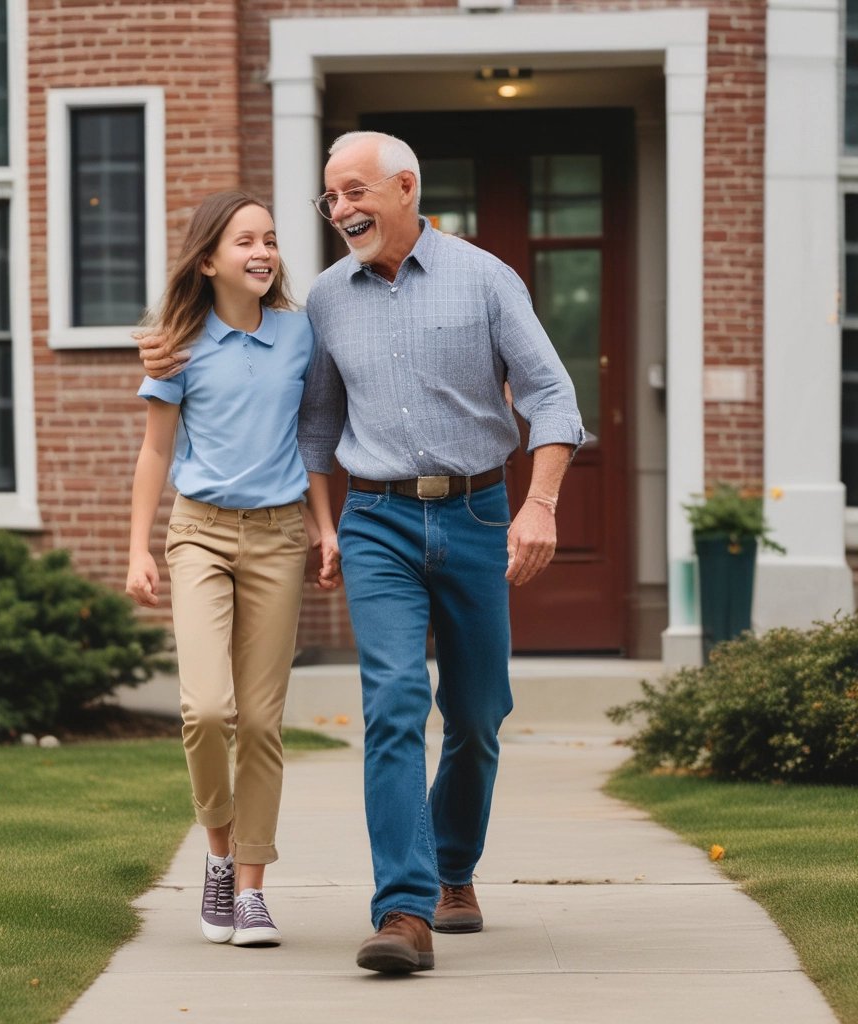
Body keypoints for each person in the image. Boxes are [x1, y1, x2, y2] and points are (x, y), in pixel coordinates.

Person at [297, 131, 585, 974]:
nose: (342, 210)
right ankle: (403, 910)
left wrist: (540, 505)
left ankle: (455, 868)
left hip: (478, 515)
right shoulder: (325, 298)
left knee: (477, 713)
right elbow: (318, 424)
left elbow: (553, 397)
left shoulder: (486, 278)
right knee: (391, 703)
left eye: (355, 192)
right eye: (331, 198)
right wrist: (325, 524)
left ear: (405, 187)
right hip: (377, 519)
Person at [125, 190, 320, 949]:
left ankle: (252, 888)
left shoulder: (301, 337)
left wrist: (324, 528)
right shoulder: (177, 341)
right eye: (245, 242)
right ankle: (217, 850)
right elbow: (155, 450)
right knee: (208, 710)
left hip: (278, 538)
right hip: (199, 535)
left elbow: (316, 439)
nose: (263, 253)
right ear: (209, 260)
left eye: (270, 239)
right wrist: (138, 546)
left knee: (264, 722)